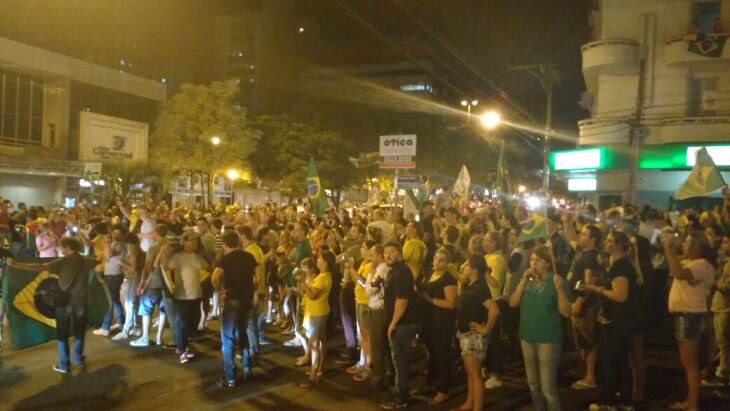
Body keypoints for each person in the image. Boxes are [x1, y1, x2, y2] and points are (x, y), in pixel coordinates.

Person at [7, 237, 96, 373]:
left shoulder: (64, 261)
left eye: (63, 248)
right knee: (79, 331)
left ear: (68, 248)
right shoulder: (88, 260)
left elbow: (41, 267)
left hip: (64, 302)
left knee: (62, 333)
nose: (61, 250)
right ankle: (78, 359)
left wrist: (15, 264)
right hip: (81, 301)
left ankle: (64, 364)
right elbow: (101, 261)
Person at [509, 245, 571, 411]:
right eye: (532, 259)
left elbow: (566, 312)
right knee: (533, 384)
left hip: (548, 339)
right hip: (527, 336)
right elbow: (513, 303)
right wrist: (522, 282)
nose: (533, 263)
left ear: (548, 264)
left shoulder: (557, 281)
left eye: (538, 260)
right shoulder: (527, 281)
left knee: (548, 388)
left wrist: (559, 289)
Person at [661, 230, 717, 411]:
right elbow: (675, 267)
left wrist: (669, 248)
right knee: (688, 363)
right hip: (685, 316)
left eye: (687, 242)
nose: (683, 245)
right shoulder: (692, 262)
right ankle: (690, 401)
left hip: (690, 316)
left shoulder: (703, 265)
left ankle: (693, 405)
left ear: (697, 246)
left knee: (691, 364)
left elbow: (678, 273)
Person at [584, 231, 640, 410]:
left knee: (611, 361)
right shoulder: (618, 265)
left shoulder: (621, 267)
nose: (605, 243)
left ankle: (608, 402)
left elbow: (620, 295)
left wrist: (596, 289)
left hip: (618, 321)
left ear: (618, 245)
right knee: (620, 360)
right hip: (621, 320)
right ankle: (625, 400)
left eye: (609, 241)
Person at [212, 230, 257, 387]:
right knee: (242, 332)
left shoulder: (224, 259)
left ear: (224, 244)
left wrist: (220, 291)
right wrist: (253, 291)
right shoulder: (249, 257)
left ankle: (230, 376)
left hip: (232, 299)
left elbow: (214, 277)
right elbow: (256, 277)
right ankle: (246, 368)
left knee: (227, 339)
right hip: (247, 299)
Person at [455, 254, 499, 411]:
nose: (464, 267)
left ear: (474, 269)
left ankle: (477, 407)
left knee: (475, 374)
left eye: (467, 264)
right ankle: (470, 402)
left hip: (474, 335)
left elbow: (494, 310)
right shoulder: (472, 284)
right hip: (467, 333)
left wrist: (486, 328)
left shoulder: (480, 287)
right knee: (470, 372)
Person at [414, 248, 458, 405]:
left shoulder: (449, 280)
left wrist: (431, 300)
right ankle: (431, 383)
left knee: (442, 355)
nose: (437, 262)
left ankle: (443, 390)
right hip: (428, 320)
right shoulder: (429, 275)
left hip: (441, 322)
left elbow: (451, 303)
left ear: (447, 263)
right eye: (435, 258)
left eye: (441, 259)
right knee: (431, 354)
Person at [159, 231, 210, 364]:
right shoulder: (177, 258)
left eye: (196, 240)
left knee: (194, 323)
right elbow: (165, 267)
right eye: (192, 240)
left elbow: (208, 267)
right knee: (181, 323)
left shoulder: (197, 257)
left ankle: (185, 345)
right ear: (184, 242)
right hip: (182, 296)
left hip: (196, 295)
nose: (195, 242)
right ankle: (182, 350)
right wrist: (164, 252)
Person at [380, 241, 420, 410]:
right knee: (399, 359)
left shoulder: (401, 272)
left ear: (399, 254)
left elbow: (402, 300)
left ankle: (400, 397)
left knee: (400, 360)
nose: (387, 255)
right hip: (400, 322)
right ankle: (401, 390)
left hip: (403, 323)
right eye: (385, 252)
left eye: (392, 252)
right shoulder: (395, 271)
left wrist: (393, 324)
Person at [299, 250, 334, 388]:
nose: (317, 261)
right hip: (322, 310)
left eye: (319, 259)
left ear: (325, 262)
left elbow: (312, 295)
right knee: (322, 341)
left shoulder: (321, 278)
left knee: (313, 344)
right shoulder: (326, 275)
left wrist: (303, 283)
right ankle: (320, 367)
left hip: (316, 313)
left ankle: (313, 375)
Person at [131, 224, 169, 347]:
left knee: (146, 310)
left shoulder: (153, 248)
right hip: (168, 284)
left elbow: (147, 268)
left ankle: (145, 337)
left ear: (156, 233)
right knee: (163, 310)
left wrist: (141, 284)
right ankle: (159, 337)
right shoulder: (172, 247)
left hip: (154, 282)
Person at [482, 230, 508, 390]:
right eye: (484, 240)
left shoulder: (497, 259)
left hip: (493, 301)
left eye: (489, 240)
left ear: (496, 243)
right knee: (486, 338)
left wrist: (483, 272)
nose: (485, 243)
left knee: (493, 339)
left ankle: (496, 374)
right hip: (484, 301)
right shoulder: (487, 257)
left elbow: (496, 283)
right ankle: (489, 367)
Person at [94, 225, 126, 337]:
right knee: (115, 299)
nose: (116, 235)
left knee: (109, 301)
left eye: (118, 233)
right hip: (113, 274)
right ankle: (122, 322)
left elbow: (108, 255)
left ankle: (105, 327)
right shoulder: (117, 243)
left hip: (113, 276)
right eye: (114, 233)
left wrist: (107, 242)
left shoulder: (118, 244)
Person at [112, 233, 144, 341]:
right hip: (137, 280)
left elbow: (133, 269)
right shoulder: (140, 252)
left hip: (133, 280)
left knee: (129, 305)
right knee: (135, 304)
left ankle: (126, 331)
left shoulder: (134, 253)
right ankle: (137, 327)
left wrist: (123, 263)